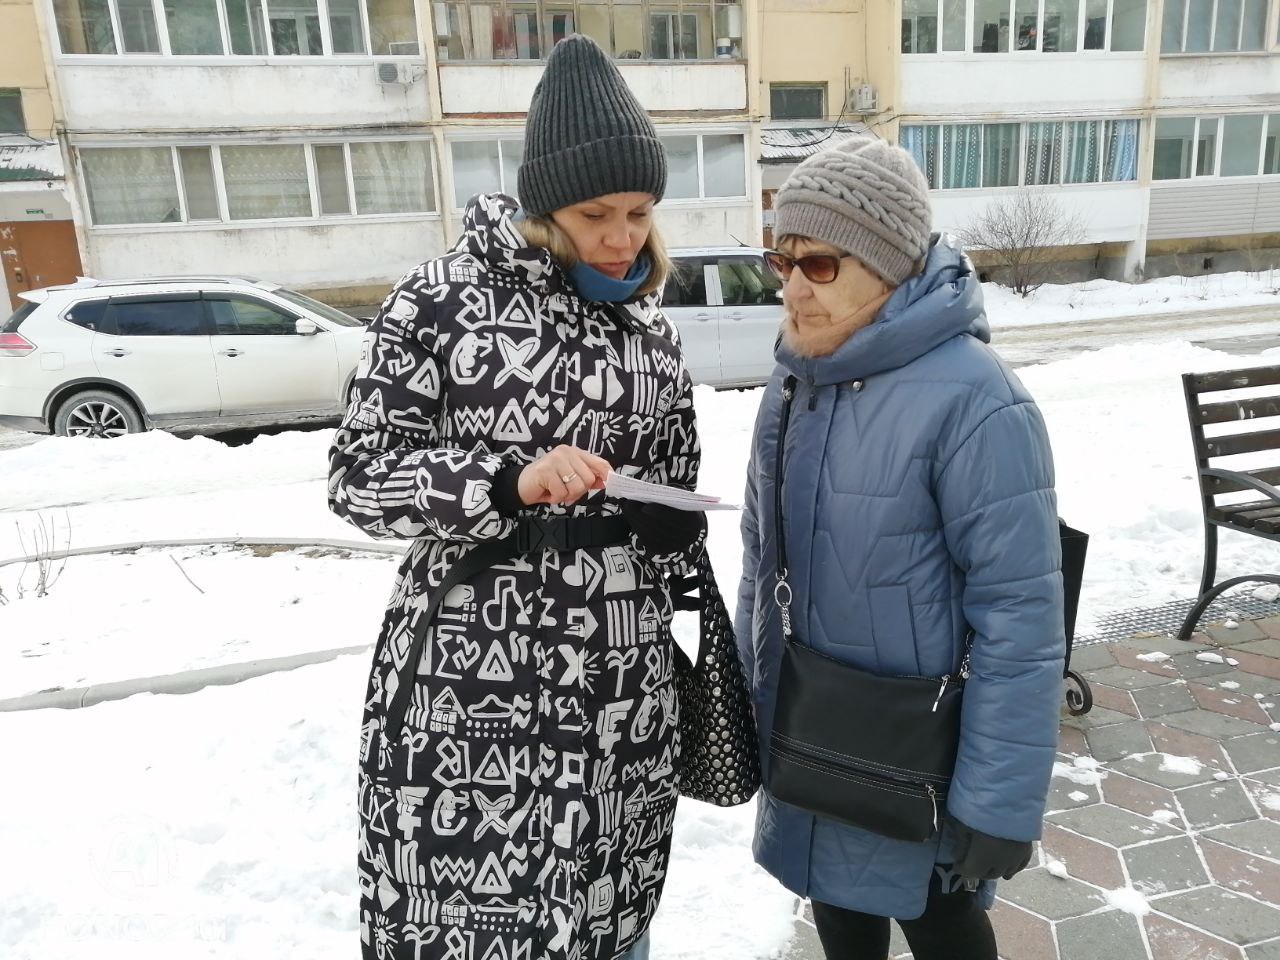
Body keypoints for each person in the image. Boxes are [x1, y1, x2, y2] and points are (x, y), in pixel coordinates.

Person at [328, 34, 705, 960]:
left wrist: (666, 520)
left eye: (640, 213)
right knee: (470, 924)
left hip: (621, 683)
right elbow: (359, 476)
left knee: (610, 918)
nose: (622, 238)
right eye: (596, 213)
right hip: (471, 685)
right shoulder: (438, 302)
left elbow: (675, 484)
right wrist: (505, 482)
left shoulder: (648, 329)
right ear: (544, 208)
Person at [734, 136, 1064, 960]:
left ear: (886, 265)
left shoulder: (978, 401)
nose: (793, 288)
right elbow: (759, 565)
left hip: (919, 762)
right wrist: (749, 705)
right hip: (810, 743)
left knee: (942, 928)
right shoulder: (792, 384)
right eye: (783, 262)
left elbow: (1020, 618)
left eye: (820, 264)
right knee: (839, 916)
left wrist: (998, 803)